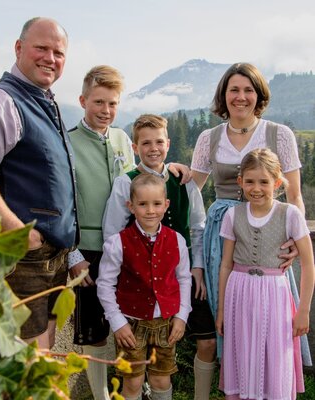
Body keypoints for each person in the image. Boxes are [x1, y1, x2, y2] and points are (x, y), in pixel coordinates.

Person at [68, 69, 192, 400]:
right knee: (95, 331)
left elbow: (145, 173)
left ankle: (143, 385)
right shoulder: (67, 142)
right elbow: (63, 200)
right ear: (83, 101)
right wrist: (72, 252)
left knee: (134, 323)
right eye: (98, 102)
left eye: (112, 103)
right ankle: (101, 395)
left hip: (135, 251)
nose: (106, 110)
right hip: (91, 249)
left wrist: (173, 167)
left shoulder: (123, 138)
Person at [191, 62, 312, 365]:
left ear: (259, 96)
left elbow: (294, 194)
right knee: (229, 308)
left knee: (271, 313)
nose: (241, 97)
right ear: (224, 95)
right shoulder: (209, 137)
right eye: (234, 90)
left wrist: (295, 240)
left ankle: (272, 377)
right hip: (223, 234)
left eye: (248, 90)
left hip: (269, 230)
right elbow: (193, 190)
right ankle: (237, 377)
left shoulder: (278, 134)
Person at [103, 114, 217, 400]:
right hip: (136, 283)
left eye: (159, 142)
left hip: (179, 277)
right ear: (134, 146)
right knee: (134, 376)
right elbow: (112, 233)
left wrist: (198, 267)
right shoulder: (124, 183)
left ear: (168, 143)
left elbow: (198, 227)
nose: (153, 148)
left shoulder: (184, 182)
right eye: (146, 143)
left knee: (165, 368)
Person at [0, 17, 78, 349]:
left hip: (53, 257)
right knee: (25, 358)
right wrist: (19, 233)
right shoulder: (1, 99)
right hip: (24, 258)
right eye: (41, 48)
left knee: (44, 351)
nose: (50, 58)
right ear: (19, 48)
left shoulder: (45, 100)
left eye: (58, 52)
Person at [216, 148, 314, 400]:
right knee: (242, 351)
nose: (256, 188)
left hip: (275, 294)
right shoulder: (232, 215)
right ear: (240, 182)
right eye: (249, 181)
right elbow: (225, 265)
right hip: (239, 293)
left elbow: (308, 263)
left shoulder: (289, 214)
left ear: (277, 182)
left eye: (264, 181)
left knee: (274, 350)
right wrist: (221, 310)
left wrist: (303, 310)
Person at [97, 173, 192, 400]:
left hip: (166, 324)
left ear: (166, 204)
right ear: (131, 206)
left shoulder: (176, 240)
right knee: (133, 381)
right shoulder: (117, 243)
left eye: (157, 204)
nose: (150, 210)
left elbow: (184, 279)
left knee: (161, 378)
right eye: (142, 204)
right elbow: (105, 285)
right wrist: (118, 323)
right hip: (131, 324)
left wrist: (182, 316)